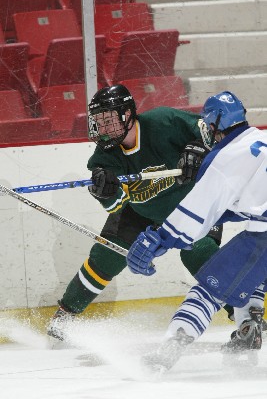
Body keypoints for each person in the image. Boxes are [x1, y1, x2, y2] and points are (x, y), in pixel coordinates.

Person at [47, 84, 225, 340]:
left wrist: (199, 148)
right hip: (140, 211)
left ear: (129, 115)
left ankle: (245, 315)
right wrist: (106, 193)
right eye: (99, 121)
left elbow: (214, 135)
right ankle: (65, 313)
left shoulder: (165, 121)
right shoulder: (104, 156)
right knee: (107, 255)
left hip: (192, 205)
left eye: (109, 120)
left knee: (200, 254)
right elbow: (116, 206)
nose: (104, 128)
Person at [126, 91, 267, 371]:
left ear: (215, 122)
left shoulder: (226, 157)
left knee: (209, 289)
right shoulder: (260, 139)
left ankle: (172, 347)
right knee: (252, 267)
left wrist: (163, 238)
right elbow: (248, 204)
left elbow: (198, 211)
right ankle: (251, 315)